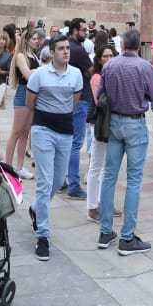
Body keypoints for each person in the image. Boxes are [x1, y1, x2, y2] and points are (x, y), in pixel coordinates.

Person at [96, 28, 153, 255]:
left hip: (114, 121)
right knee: (134, 180)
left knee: (109, 176)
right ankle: (127, 237)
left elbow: (100, 94)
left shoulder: (110, 65)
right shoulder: (144, 66)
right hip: (135, 122)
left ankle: (105, 232)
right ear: (137, 44)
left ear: (122, 44)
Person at [26, 35, 83, 260]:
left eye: (67, 48)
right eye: (61, 48)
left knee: (59, 181)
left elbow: (74, 101)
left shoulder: (76, 74)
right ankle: (43, 235)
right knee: (45, 181)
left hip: (65, 131)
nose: (66, 52)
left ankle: (35, 208)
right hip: (43, 130)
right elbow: (30, 103)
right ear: (51, 52)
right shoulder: (39, 75)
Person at [86, 39, 120, 222]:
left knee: (107, 167)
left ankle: (104, 202)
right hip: (100, 124)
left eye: (111, 55)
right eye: (105, 56)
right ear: (99, 59)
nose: (108, 58)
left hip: (111, 124)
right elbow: (102, 101)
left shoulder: (113, 75)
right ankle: (92, 207)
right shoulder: (97, 77)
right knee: (96, 165)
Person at [5, 26, 43, 177]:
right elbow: (28, 75)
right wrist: (40, 71)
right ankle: (7, 167)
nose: (36, 41)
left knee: (25, 132)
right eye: (33, 39)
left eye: (36, 39)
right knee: (16, 131)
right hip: (23, 92)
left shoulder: (33, 55)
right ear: (26, 40)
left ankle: (19, 166)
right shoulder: (21, 56)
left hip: (32, 93)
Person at [62, 17, 92, 200]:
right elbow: (91, 72)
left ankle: (61, 182)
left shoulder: (64, 47)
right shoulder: (79, 51)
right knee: (75, 143)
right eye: (83, 30)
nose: (86, 33)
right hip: (79, 99)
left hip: (63, 100)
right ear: (74, 30)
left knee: (65, 142)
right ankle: (73, 185)